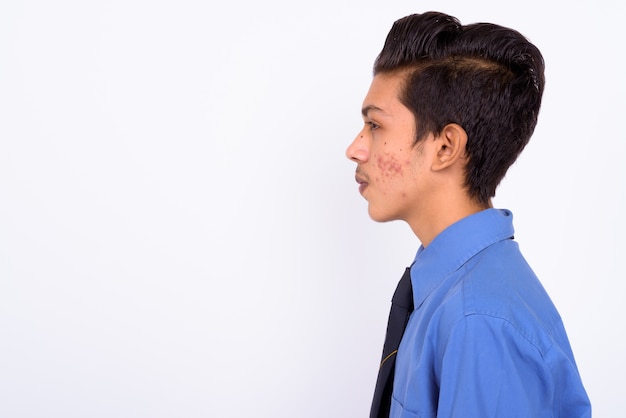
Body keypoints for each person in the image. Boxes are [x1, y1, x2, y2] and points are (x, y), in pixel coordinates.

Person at [345, 11, 591, 418]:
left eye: (374, 125)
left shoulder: (479, 321)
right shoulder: (451, 293)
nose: (355, 148)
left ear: (445, 147)